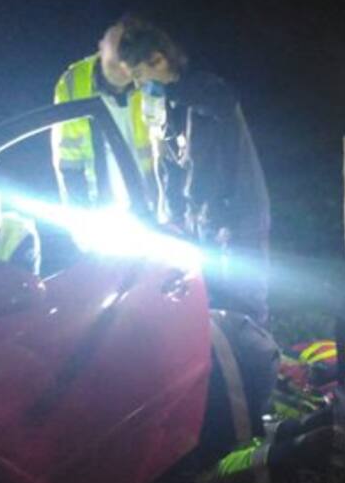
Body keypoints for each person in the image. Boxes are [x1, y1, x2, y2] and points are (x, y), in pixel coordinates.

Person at [116, 20, 271, 325]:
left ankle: (257, 365)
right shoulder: (166, 109)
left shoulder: (204, 89)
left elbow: (222, 101)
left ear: (158, 60)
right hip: (203, 224)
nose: (137, 86)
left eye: (138, 75)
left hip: (236, 220)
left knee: (245, 309)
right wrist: (172, 218)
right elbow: (171, 170)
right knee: (210, 309)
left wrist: (170, 91)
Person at [52, 17, 159, 207]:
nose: (122, 68)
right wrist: (82, 218)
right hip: (101, 205)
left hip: (152, 201)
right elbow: (69, 162)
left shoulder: (152, 80)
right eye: (115, 63)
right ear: (100, 47)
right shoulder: (73, 83)